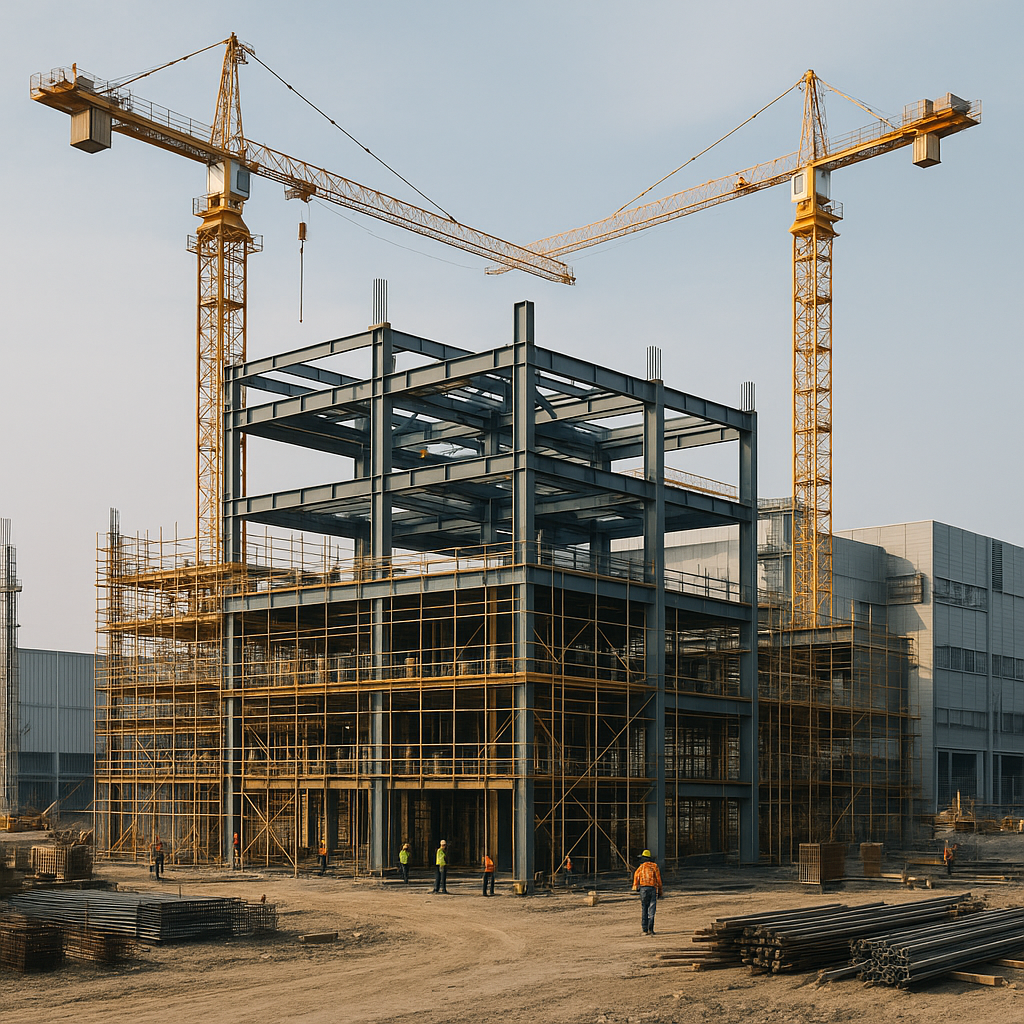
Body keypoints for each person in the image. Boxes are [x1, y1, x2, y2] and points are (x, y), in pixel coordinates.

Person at [631, 849, 662, 935]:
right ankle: (650, 929)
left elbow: (636, 876)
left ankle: (644, 929)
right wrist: (660, 891)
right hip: (652, 889)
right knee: (651, 909)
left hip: (643, 889)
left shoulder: (641, 867)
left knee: (644, 908)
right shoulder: (654, 866)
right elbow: (658, 880)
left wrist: (636, 887)